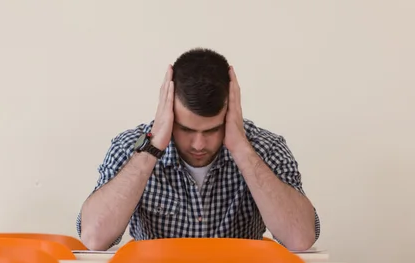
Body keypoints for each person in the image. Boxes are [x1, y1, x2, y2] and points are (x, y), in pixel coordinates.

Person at [77, 48, 320, 251]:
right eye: (186, 129)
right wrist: (151, 149)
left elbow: (300, 239)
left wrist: (242, 150)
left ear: (231, 110)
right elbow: (94, 238)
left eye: (212, 130)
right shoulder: (130, 148)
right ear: (167, 109)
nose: (198, 144)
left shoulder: (266, 149)